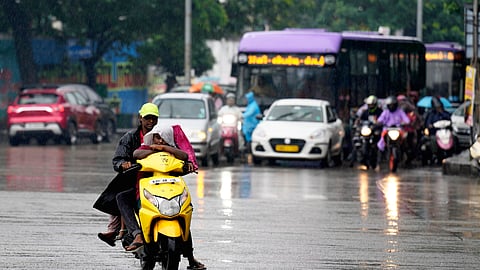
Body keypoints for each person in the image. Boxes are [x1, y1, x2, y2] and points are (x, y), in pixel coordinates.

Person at [117, 124, 205, 269]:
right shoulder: (146, 148)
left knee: (185, 212)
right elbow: (136, 154)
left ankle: (190, 257)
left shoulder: (174, 152)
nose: (160, 141)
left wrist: (165, 149)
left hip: (171, 192)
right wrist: (153, 149)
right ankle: (137, 233)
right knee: (122, 197)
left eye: (163, 137)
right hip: (148, 191)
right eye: (157, 137)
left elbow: (184, 156)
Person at [95, 102, 159, 247]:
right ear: (140, 118)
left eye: (154, 118)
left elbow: (179, 153)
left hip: (161, 182)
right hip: (135, 181)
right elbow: (118, 159)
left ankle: (191, 256)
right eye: (148, 118)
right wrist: (123, 164)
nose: (150, 122)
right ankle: (127, 232)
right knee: (120, 196)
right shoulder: (130, 137)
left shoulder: (162, 136)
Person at [242, 92, 261, 159]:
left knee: (250, 141)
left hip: (252, 126)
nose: (246, 100)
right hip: (248, 126)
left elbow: (249, 113)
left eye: (247, 98)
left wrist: (241, 116)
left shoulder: (253, 106)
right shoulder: (250, 105)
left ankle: (250, 154)